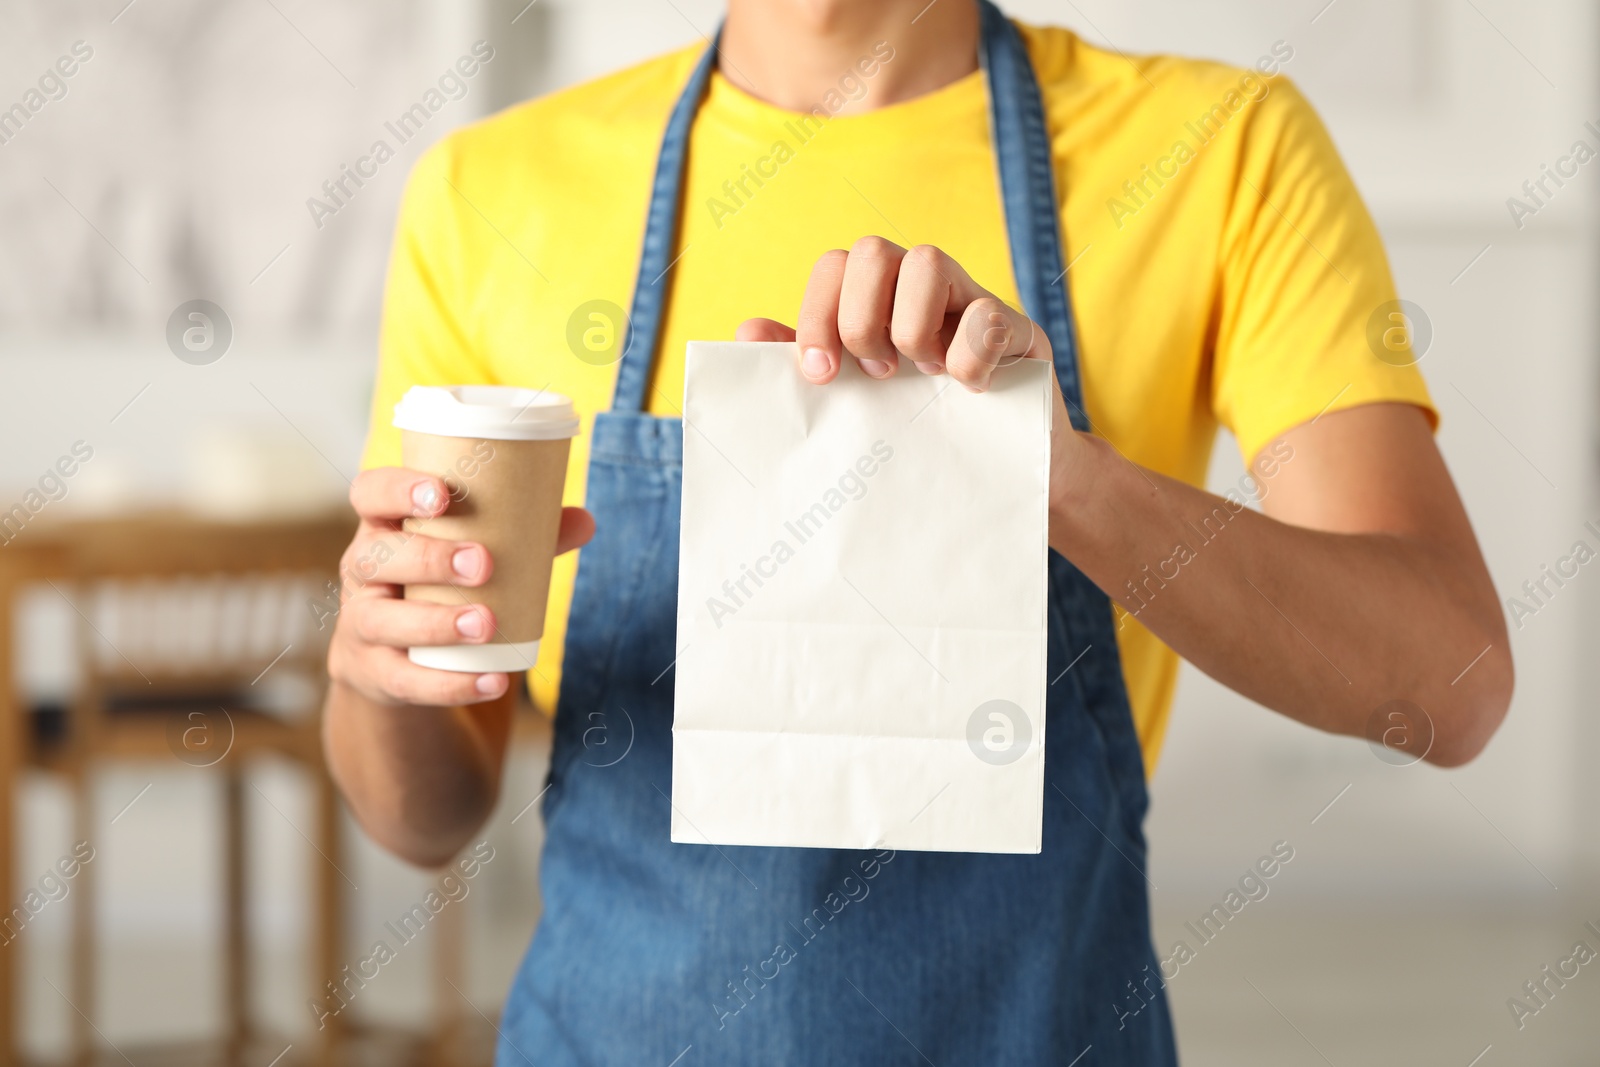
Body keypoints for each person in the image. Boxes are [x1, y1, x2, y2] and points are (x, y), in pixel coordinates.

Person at [323, 0, 1513, 1062]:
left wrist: (1068, 482)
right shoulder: (491, 192)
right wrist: (379, 676)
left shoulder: (1220, 151)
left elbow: (1447, 683)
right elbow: (426, 816)